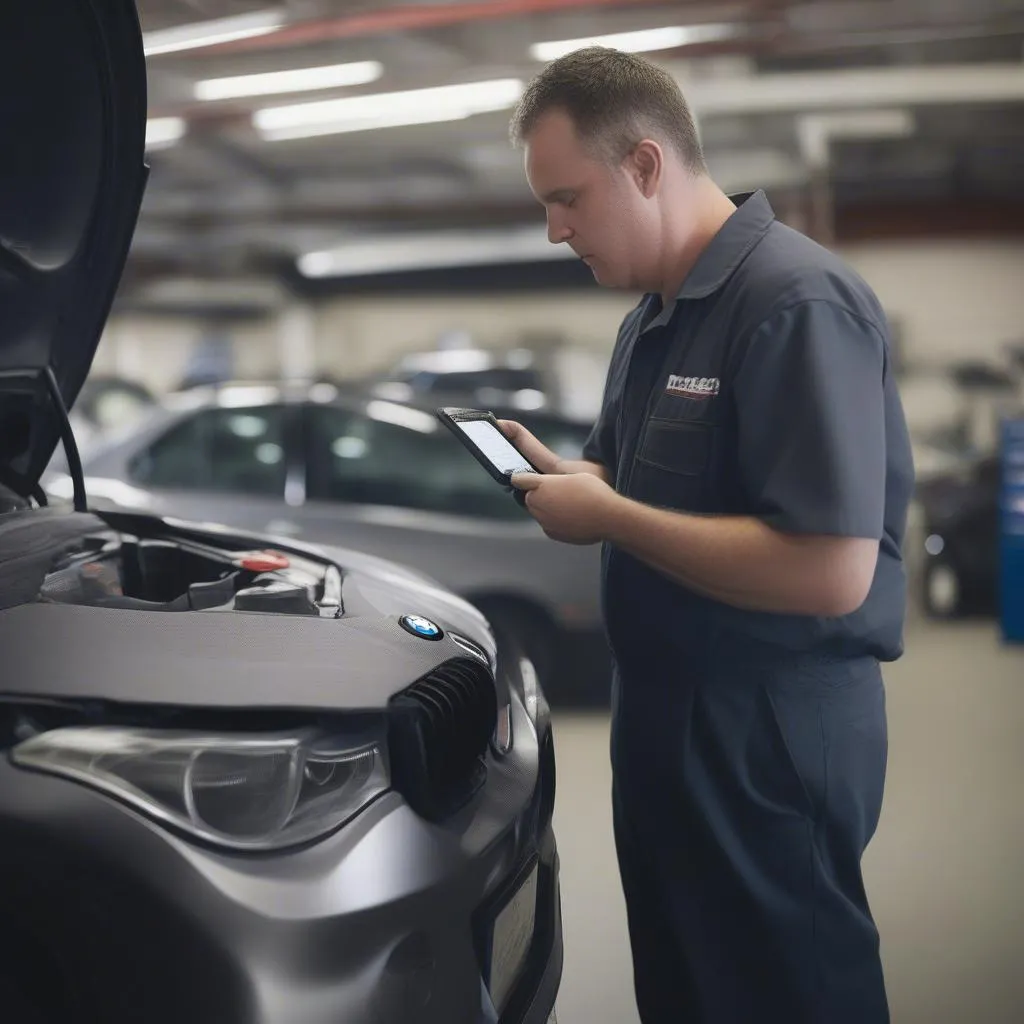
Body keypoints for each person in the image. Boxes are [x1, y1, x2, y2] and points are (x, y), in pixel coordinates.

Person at [502, 47, 914, 1023]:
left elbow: (829, 569)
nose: (555, 230)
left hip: (762, 734)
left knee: (786, 994)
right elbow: (627, 475)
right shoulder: (651, 316)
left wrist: (607, 517)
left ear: (645, 166)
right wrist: (580, 483)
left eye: (567, 198)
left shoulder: (796, 303)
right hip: (661, 721)